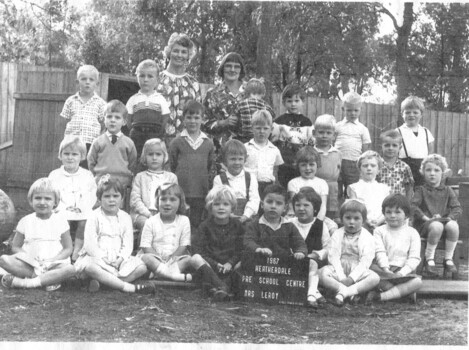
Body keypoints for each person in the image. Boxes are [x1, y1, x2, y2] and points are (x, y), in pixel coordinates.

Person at [139, 183, 230, 300]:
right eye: (163, 199)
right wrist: (160, 261)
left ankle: (221, 286)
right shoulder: (151, 221)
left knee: (193, 259)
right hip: (155, 262)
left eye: (172, 200)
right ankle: (179, 277)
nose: (167, 203)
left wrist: (172, 258)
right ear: (157, 201)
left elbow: (184, 245)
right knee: (146, 258)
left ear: (180, 202)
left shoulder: (184, 220)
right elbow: (146, 246)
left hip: (175, 261)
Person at [74, 176, 153, 294]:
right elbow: (90, 244)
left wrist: (120, 259)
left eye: (115, 196)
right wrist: (103, 258)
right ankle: (126, 286)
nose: (111, 200)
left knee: (141, 267)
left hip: (118, 260)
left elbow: (127, 244)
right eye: (107, 196)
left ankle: (104, 283)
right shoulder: (94, 216)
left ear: (122, 198)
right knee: (90, 267)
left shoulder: (125, 217)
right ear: (99, 199)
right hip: (98, 258)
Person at [0, 178, 76, 290]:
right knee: (3, 260)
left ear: (55, 202)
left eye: (47, 199)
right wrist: (29, 257)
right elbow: (15, 246)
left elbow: (68, 248)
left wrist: (53, 259)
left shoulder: (61, 221)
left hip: (53, 264)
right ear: (31, 200)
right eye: (38, 198)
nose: (42, 202)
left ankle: (26, 283)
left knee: (70, 269)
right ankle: (47, 280)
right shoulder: (25, 221)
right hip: (31, 263)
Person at [318, 200, 379, 307]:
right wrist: (342, 278)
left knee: (375, 278)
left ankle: (346, 292)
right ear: (342, 219)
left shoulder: (367, 237)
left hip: (358, 269)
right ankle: (344, 290)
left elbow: (365, 261)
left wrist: (351, 278)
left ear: (363, 220)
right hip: (338, 268)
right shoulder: (337, 234)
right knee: (320, 273)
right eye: (348, 218)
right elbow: (333, 256)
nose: (351, 222)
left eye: (356, 218)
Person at [411, 154, 462, 277]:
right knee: (436, 226)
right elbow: (413, 207)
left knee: (453, 226)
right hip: (425, 225)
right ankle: (429, 259)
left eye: (436, 170)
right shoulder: (420, 190)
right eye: (428, 170)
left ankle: (448, 258)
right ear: (423, 172)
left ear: (443, 173)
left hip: (443, 223)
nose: (432, 173)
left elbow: (457, 208)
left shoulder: (448, 190)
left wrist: (450, 217)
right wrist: (426, 218)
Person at [48, 136, 97, 261]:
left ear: (81, 157)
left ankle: (77, 249)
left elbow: (91, 195)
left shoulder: (87, 175)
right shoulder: (54, 175)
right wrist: (62, 207)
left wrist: (81, 207)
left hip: (81, 209)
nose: (70, 157)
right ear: (60, 155)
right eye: (66, 154)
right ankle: (66, 248)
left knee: (84, 221)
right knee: (64, 220)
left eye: (74, 154)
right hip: (61, 208)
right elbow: (52, 195)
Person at [367, 194, 422, 303]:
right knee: (369, 274)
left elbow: (414, 258)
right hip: (383, 270)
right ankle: (404, 294)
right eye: (388, 212)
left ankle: (381, 297)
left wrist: (401, 273)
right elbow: (379, 252)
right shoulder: (379, 231)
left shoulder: (412, 232)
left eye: (397, 212)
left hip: (403, 271)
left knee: (417, 282)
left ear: (406, 215)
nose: (392, 215)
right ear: (384, 213)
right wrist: (386, 269)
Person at [169, 100, 215, 229]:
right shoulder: (176, 142)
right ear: (183, 119)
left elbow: (210, 167)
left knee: (196, 225)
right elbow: (172, 167)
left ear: (202, 119)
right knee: (180, 224)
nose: (193, 121)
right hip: (181, 192)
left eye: (196, 117)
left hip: (201, 192)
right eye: (189, 117)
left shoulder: (208, 143)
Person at [192, 185, 245, 296]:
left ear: (232, 208)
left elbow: (241, 249)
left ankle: (219, 287)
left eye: (226, 204)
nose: (221, 207)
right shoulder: (204, 226)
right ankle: (222, 287)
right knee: (196, 259)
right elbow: (199, 250)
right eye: (216, 204)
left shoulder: (238, 226)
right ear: (210, 207)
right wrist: (215, 264)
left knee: (244, 261)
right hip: (211, 268)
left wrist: (230, 263)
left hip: (230, 267)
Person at [243, 184, 307, 262]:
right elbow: (248, 242)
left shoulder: (289, 226)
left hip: (283, 266)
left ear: (285, 208)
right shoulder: (254, 225)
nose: (273, 206)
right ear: (262, 205)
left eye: (278, 203)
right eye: (269, 202)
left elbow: (300, 243)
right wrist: (258, 249)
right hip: (260, 264)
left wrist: (300, 252)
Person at [157, 33, 201, 144]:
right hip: (159, 142)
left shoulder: (193, 83)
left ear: (188, 56)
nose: (179, 55)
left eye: (184, 52)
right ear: (169, 52)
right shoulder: (157, 79)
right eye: (176, 51)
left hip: (186, 143)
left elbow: (198, 115)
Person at [289, 187, 330, 308]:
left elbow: (328, 248)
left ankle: (312, 293)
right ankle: (315, 293)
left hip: (314, 262)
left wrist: (315, 255)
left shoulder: (321, 225)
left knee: (313, 264)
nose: (301, 209)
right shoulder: (289, 223)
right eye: (298, 205)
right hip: (294, 261)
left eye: (306, 205)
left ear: (315, 208)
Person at [60, 65, 107, 169]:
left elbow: (103, 124)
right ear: (77, 82)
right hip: (72, 143)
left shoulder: (101, 104)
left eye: (91, 79)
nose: (87, 82)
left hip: (90, 143)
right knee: (70, 169)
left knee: (87, 170)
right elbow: (66, 120)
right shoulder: (70, 101)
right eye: (84, 79)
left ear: (97, 84)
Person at [87, 100, 137, 191]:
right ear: (104, 119)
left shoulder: (129, 143)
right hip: (101, 183)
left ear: (124, 122)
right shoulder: (98, 142)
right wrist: (98, 176)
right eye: (109, 117)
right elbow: (91, 162)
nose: (113, 120)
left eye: (117, 118)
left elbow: (132, 163)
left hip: (122, 184)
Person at [203, 52, 246, 158]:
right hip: (220, 150)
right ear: (222, 68)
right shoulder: (212, 93)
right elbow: (203, 123)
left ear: (241, 70)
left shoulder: (250, 90)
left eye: (236, 67)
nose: (232, 69)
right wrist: (222, 123)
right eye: (228, 66)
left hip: (246, 149)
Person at [130, 138, 178, 233]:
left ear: (164, 156)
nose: (154, 158)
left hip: (164, 213)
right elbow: (135, 200)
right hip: (142, 215)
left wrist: (163, 214)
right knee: (148, 225)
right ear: (145, 157)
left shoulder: (171, 178)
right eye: (150, 154)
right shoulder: (140, 177)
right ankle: (143, 248)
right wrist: (148, 214)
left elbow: (174, 199)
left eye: (158, 154)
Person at [126, 59, 170, 157]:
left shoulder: (160, 99)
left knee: (152, 156)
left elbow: (165, 117)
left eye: (150, 76)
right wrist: (134, 129)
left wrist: (158, 130)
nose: (145, 79)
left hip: (154, 134)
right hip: (137, 135)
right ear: (137, 77)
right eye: (142, 76)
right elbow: (128, 118)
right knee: (136, 156)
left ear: (157, 80)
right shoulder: (133, 99)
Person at [274, 84, 314, 188]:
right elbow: (274, 142)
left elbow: (311, 143)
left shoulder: (307, 122)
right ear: (283, 103)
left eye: (296, 101)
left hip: (301, 164)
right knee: (284, 187)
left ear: (303, 102)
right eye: (289, 101)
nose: (293, 104)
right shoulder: (279, 122)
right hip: (284, 164)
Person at [212, 140, 260, 224]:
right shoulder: (219, 179)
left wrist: (246, 215)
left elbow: (254, 199)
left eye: (240, 159)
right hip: (226, 218)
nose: (237, 162)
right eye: (233, 159)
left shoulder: (251, 178)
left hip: (248, 219)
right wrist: (229, 214)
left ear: (245, 160)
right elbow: (217, 200)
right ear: (225, 161)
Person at [335, 91, 371, 198]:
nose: (353, 113)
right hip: (338, 161)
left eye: (356, 110)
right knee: (337, 190)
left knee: (352, 189)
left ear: (360, 110)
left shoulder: (362, 128)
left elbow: (366, 147)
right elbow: (332, 143)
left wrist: (363, 163)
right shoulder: (338, 126)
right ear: (343, 109)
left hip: (354, 163)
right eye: (349, 110)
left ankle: (350, 209)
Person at [348, 151, 391, 231]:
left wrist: (378, 222)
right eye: (365, 166)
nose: (369, 168)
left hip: (381, 224)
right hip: (361, 224)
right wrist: (367, 222)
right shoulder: (354, 188)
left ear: (378, 170)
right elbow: (353, 209)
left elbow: (388, 209)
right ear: (360, 170)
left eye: (373, 166)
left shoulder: (384, 188)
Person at [244, 109, 283, 197]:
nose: (262, 131)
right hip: (248, 186)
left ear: (271, 129)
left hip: (267, 187)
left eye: (265, 128)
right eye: (258, 128)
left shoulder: (274, 150)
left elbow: (275, 170)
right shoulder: (245, 148)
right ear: (252, 128)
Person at [397, 96, 434, 187]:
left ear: (421, 114)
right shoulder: (398, 131)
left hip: (422, 169)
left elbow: (430, 152)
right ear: (402, 114)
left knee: (421, 193)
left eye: (415, 112)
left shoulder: (425, 132)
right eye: (408, 112)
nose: (411, 115)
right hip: (404, 168)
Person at [287, 146, 328, 221]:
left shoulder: (322, 183)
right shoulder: (293, 183)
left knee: (332, 227)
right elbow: (294, 206)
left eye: (311, 164)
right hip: (299, 217)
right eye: (303, 165)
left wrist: (319, 222)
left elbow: (323, 206)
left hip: (318, 217)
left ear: (317, 165)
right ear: (298, 166)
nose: (308, 168)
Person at [314, 114, 342, 219]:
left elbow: (340, 175)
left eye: (328, 133)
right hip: (316, 188)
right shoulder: (312, 153)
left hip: (332, 190)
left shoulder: (338, 153)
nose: (324, 136)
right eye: (321, 132)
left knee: (330, 216)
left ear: (334, 135)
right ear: (314, 133)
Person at [376, 129, 415, 200]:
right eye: (387, 145)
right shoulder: (376, 165)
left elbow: (409, 187)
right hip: (380, 201)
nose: (390, 148)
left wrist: (407, 203)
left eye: (394, 145)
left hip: (399, 203)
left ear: (400, 147)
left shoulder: (404, 166)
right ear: (381, 147)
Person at [235, 78, 276, 143]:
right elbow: (273, 115)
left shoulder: (241, 104)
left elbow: (235, 116)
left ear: (247, 93)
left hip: (244, 137)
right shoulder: (265, 105)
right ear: (262, 94)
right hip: (261, 135)